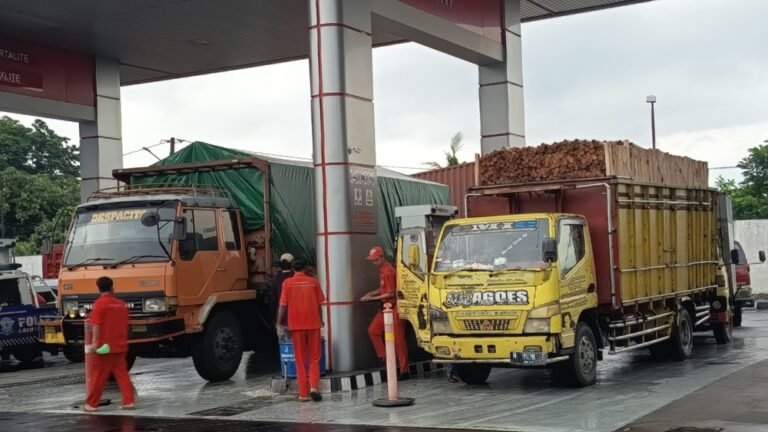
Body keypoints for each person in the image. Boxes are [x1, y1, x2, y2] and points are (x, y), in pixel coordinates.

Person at [276, 259, 325, 402]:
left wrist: (279, 322)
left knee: (300, 360)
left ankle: (303, 394)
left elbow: (283, 305)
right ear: (305, 268)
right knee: (314, 358)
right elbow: (319, 304)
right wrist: (321, 320)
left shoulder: (287, 283)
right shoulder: (313, 282)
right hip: (313, 324)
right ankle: (314, 387)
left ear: (293, 269)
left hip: (296, 325)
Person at [83, 276, 134, 412]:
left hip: (105, 347)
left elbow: (96, 325)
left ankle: (92, 404)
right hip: (120, 344)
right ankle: (129, 401)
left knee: (99, 376)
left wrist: (94, 343)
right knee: (122, 374)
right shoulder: (121, 304)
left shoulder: (99, 304)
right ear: (112, 287)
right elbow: (126, 324)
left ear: (98, 288)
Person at [361, 246, 409, 378]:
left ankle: (404, 370)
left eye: (375, 259)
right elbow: (384, 289)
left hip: (393, 308)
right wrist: (373, 293)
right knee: (373, 331)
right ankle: (386, 357)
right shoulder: (382, 269)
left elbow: (391, 292)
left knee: (399, 340)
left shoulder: (388, 270)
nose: (373, 262)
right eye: (372, 260)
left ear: (382, 257)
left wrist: (371, 298)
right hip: (385, 308)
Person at [270, 253, 294, 326]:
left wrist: (272, 318)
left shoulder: (276, 279)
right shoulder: (295, 278)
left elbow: (273, 301)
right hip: (297, 317)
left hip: (283, 318)